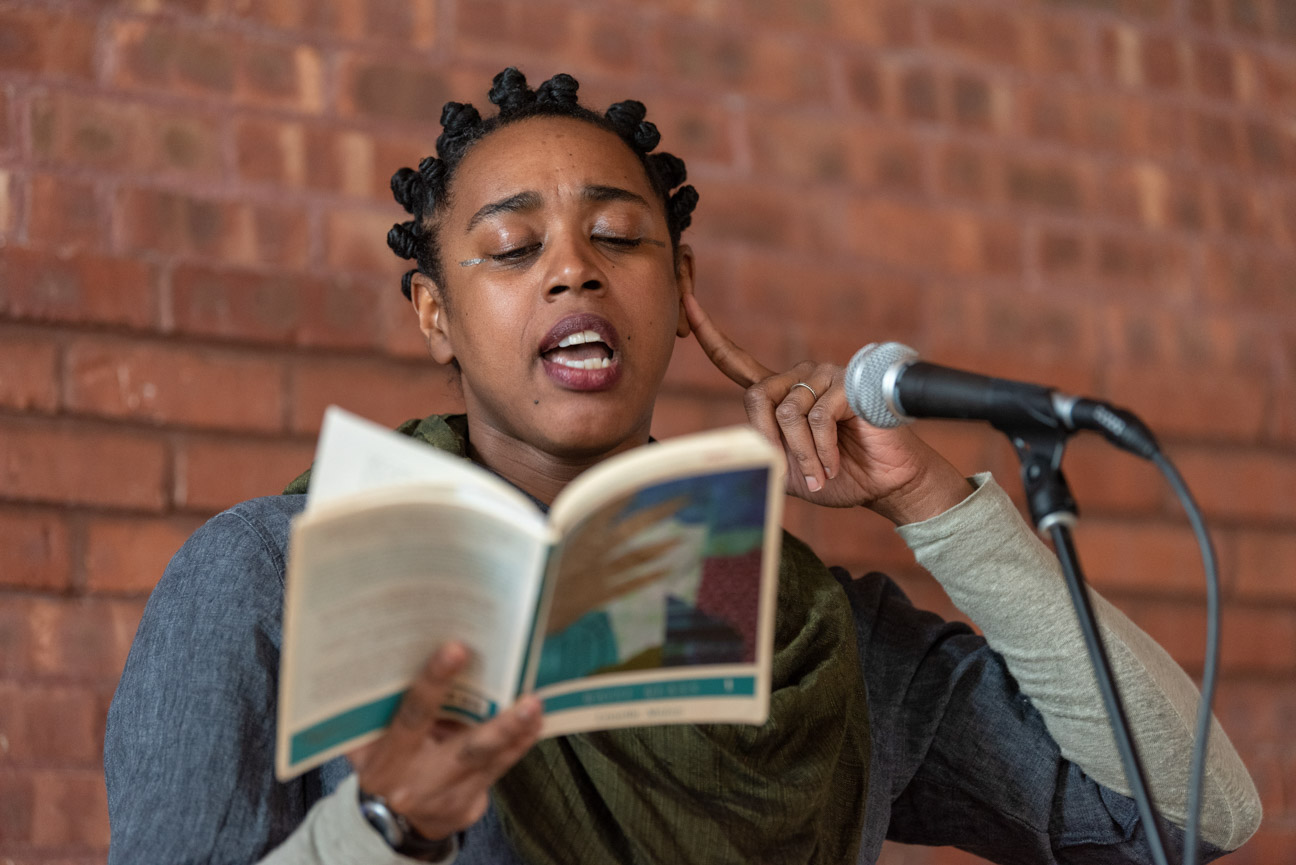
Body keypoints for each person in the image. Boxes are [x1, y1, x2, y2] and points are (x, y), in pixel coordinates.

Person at [104, 68, 1262, 865]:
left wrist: (932, 502)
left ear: (681, 286)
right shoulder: (270, 579)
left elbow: (1197, 809)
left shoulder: (814, 636)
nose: (572, 270)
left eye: (619, 237)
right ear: (434, 315)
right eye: (511, 247)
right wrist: (383, 827)